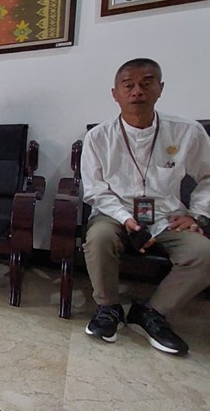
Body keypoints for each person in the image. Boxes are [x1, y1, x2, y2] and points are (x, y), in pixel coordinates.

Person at [81, 58, 210, 355]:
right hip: (114, 214)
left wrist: (197, 215)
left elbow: (208, 176)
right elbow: (96, 190)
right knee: (98, 238)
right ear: (115, 93)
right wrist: (126, 218)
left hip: (167, 216)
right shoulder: (98, 137)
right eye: (128, 85)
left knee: (203, 253)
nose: (137, 91)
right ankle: (108, 308)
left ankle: (152, 312)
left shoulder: (186, 132)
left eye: (146, 83)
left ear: (160, 88)